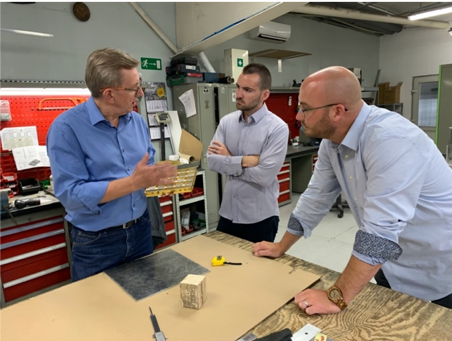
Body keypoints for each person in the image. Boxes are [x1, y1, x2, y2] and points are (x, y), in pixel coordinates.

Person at [253, 66, 452, 313]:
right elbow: (316, 197)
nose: (298, 117)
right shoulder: (332, 143)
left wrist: (336, 297)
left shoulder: (391, 140)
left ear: (338, 111)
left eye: (305, 109)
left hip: (438, 264)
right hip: (387, 263)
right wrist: (281, 246)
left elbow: (380, 233)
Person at [46, 48, 176, 281]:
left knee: (144, 305)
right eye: (134, 88)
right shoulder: (66, 129)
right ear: (109, 94)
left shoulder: (136, 121)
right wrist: (132, 183)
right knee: (99, 314)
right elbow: (71, 194)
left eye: (140, 84)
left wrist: (157, 177)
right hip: (97, 243)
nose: (140, 93)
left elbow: (148, 165)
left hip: (140, 230)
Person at [206, 63, 289, 243]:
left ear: (264, 95)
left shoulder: (277, 128)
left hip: (260, 219)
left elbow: (264, 177)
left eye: (248, 90)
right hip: (228, 214)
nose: (239, 94)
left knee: (256, 271)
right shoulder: (227, 122)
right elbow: (212, 162)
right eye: (238, 87)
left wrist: (229, 159)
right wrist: (246, 160)